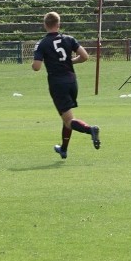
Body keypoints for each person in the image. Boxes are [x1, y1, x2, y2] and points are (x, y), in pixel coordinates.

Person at [32, 11, 100, 159]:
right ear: (59, 24)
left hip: (57, 84)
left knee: (69, 120)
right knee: (66, 117)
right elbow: (85, 56)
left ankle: (90, 130)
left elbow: (37, 67)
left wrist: (35, 63)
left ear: (45, 25)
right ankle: (63, 149)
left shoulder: (42, 43)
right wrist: (70, 61)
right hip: (72, 81)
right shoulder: (69, 39)